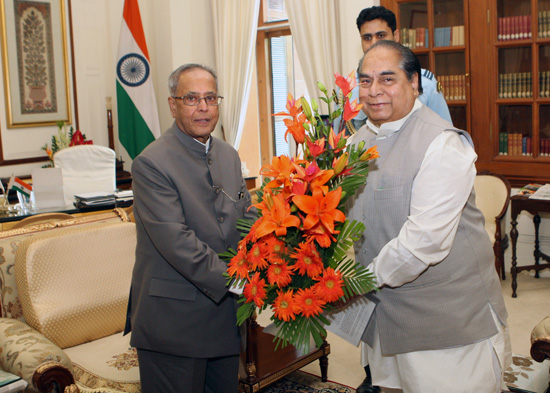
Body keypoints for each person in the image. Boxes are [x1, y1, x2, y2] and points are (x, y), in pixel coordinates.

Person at [347, 40, 511, 393]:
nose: (374, 91)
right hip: (385, 318)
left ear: (414, 82)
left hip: (447, 323)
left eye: (387, 79)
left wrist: (354, 283)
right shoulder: (355, 144)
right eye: (365, 80)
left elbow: (424, 242)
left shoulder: (443, 143)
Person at [125, 63, 255, 393]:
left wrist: (268, 250)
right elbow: (178, 242)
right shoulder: (152, 163)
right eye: (191, 98)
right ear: (173, 104)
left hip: (225, 319)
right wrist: (243, 280)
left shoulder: (227, 153)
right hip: (173, 324)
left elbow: (245, 217)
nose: (203, 108)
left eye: (211, 98)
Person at [335, 5, 452, 135]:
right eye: (367, 38)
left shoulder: (424, 83)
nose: (374, 43)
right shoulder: (348, 88)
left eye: (381, 35)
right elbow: (339, 145)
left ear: (396, 36)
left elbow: (445, 132)